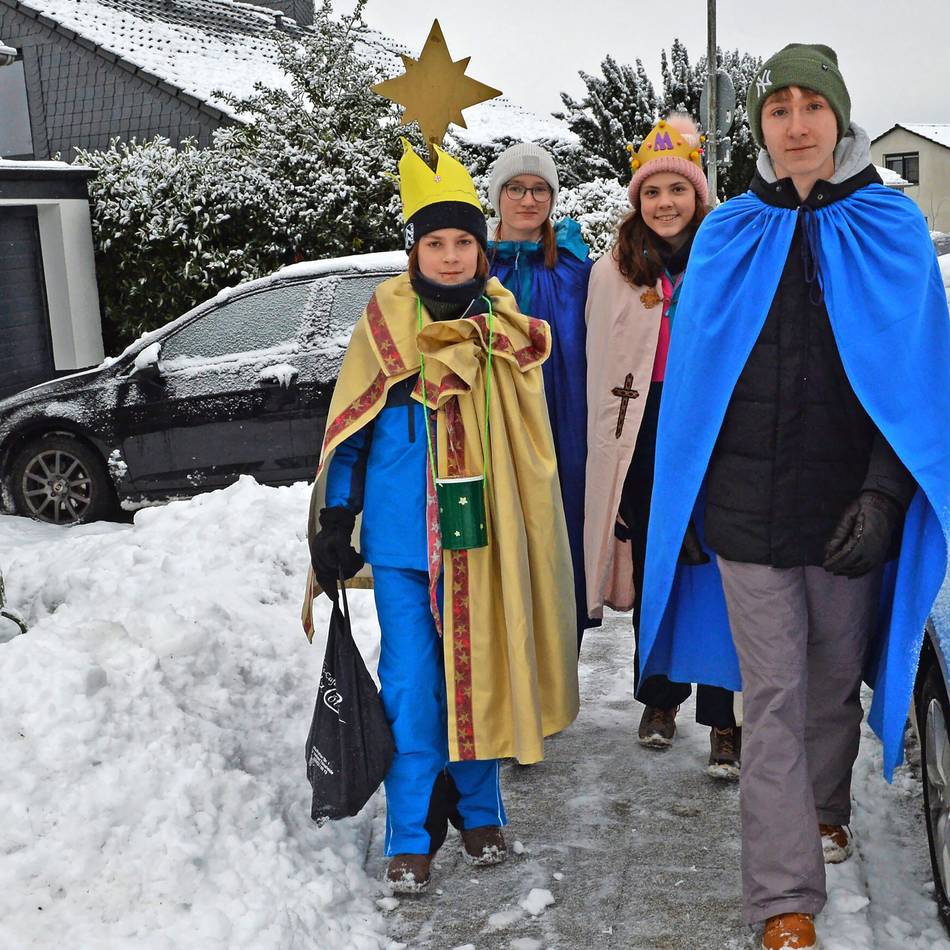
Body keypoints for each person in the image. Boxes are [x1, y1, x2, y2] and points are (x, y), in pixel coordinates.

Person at [637, 45, 950, 949]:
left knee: (826, 695)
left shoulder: (891, 230)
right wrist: (684, 509)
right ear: (762, 127)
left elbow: (916, 389)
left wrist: (886, 500)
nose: (798, 124)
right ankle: (783, 898)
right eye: (781, 110)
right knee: (770, 698)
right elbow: (694, 384)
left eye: (815, 107)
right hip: (743, 513)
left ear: (841, 120)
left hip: (848, 513)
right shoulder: (728, 234)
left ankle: (824, 805)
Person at [301, 140, 579, 895]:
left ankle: (481, 812)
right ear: (415, 251)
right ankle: (411, 832)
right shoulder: (384, 325)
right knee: (412, 687)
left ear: (481, 249)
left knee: (482, 675)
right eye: (436, 243)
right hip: (400, 546)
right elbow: (352, 429)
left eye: (464, 242)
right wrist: (337, 516)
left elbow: (528, 445)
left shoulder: (507, 328)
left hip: (479, 543)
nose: (451, 257)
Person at [583, 115, 740, 779]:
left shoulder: (725, 260)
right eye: (653, 192)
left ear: (698, 196)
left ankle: (723, 717)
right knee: (660, 572)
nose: (666, 203)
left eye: (678, 190)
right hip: (642, 435)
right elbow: (597, 360)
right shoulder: (613, 270)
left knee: (721, 576)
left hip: (714, 432)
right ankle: (658, 699)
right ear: (637, 202)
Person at [487, 143, 597, 649]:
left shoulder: (577, 268)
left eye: (539, 189)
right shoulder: (474, 267)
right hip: (495, 424)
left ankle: (557, 666)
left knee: (559, 534)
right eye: (515, 188)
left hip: (564, 423)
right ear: (497, 196)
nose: (528, 200)